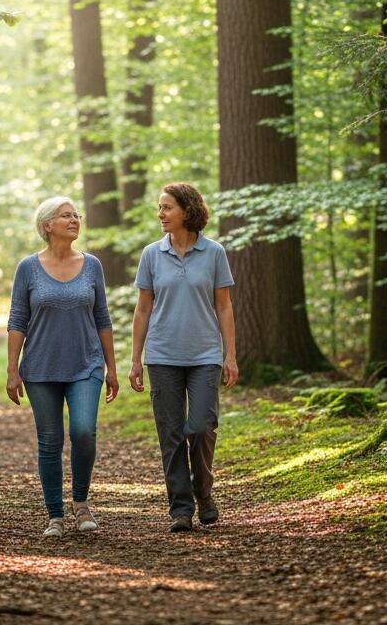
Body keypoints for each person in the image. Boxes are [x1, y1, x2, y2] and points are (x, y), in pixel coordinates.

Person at [6, 196, 119, 538]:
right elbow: (17, 320)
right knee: (50, 440)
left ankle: (81, 501)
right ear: (47, 225)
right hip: (40, 367)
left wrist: (112, 368)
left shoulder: (92, 265)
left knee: (83, 431)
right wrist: (13, 369)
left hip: (86, 363)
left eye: (76, 215)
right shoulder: (28, 268)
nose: (74, 220)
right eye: (65, 216)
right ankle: (55, 514)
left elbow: (103, 318)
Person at [129, 182, 238, 532]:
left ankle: (203, 492)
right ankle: (180, 507)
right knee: (171, 432)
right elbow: (143, 309)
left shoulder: (214, 252)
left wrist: (230, 355)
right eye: (159, 208)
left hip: (205, 353)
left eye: (166, 208)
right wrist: (135, 359)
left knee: (202, 426)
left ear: (187, 211)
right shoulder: (151, 254)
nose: (160, 214)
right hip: (162, 356)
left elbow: (224, 305)